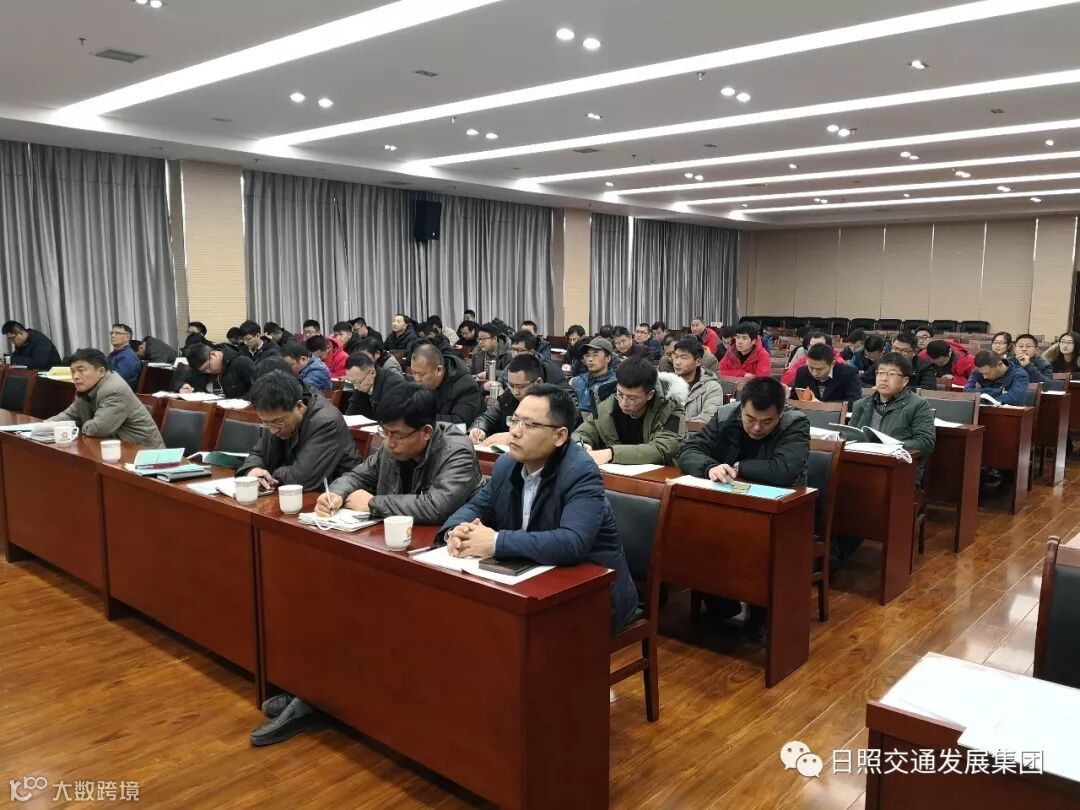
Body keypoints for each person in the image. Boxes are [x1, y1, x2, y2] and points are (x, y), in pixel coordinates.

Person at [440, 385, 639, 635]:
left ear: (560, 436)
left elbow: (572, 542)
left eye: (530, 425)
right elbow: (477, 506)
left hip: (591, 596)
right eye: (515, 421)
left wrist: (496, 542)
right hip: (530, 579)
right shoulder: (506, 464)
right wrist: (455, 532)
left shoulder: (581, 472)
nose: (515, 432)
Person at [320, 381, 482, 522]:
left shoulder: (457, 451)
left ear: (426, 432)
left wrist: (373, 504)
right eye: (385, 432)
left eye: (397, 435)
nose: (389, 442)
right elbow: (356, 477)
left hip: (447, 538)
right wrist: (336, 494)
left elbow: (436, 507)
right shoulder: (390, 446)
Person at [236, 370, 360, 492]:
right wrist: (253, 469)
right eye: (265, 422)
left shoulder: (326, 422)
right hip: (292, 492)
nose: (273, 430)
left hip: (336, 495)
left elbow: (302, 478)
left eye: (278, 422)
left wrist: (271, 473)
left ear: (299, 407)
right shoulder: (273, 417)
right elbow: (258, 453)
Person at [678, 375, 810, 486]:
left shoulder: (794, 423)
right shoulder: (726, 415)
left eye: (767, 422)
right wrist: (710, 467)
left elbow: (786, 471)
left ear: (780, 414)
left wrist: (738, 467)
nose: (757, 427)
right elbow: (689, 451)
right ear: (741, 408)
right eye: (750, 419)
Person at [572, 357, 686, 466]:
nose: (624, 403)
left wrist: (611, 454)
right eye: (620, 394)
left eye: (632, 398)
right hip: (615, 473)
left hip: (659, 474)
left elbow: (662, 448)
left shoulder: (670, 409)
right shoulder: (606, 405)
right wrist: (581, 445)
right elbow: (583, 432)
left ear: (649, 395)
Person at [47, 348, 163, 447]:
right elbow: (70, 414)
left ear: (101, 371)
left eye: (81, 370)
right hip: (118, 448)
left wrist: (76, 426)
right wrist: (47, 424)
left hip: (145, 454)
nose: (75, 376)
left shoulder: (114, 389)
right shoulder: (86, 389)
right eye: (72, 372)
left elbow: (99, 429)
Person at [849, 353, 936, 483]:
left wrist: (890, 446)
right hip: (863, 466)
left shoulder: (918, 405)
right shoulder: (860, 404)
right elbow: (851, 437)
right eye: (880, 373)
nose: (884, 378)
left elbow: (925, 443)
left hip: (899, 470)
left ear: (905, 381)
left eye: (891, 374)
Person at [469, 354, 567, 445]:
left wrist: (512, 437)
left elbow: (552, 435)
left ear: (538, 382)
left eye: (521, 387)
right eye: (511, 385)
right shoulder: (509, 394)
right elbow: (487, 418)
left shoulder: (559, 398)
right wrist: (479, 429)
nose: (515, 392)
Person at [409, 343, 484, 426]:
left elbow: (460, 422)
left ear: (439, 370)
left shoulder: (466, 386)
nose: (417, 379)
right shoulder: (419, 384)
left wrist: (421, 419)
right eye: (414, 373)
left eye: (422, 374)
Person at [788, 342, 863, 404]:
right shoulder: (802, 372)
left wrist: (822, 405)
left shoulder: (848, 373)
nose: (814, 373)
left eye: (820, 369)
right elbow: (794, 397)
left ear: (832, 364)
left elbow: (853, 401)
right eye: (811, 367)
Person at [671, 336, 723, 422]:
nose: (677, 362)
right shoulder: (668, 384)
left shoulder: (711, 387)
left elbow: (708, 419)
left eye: (683, 358)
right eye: (676, 357)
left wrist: (677, 426)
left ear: (698, 361)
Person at [177, 342, 255, 399]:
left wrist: (239, 400)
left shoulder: (241, 362)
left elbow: (258, 387)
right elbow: (180, 380)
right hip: (210, 409)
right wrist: (182, 386)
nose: (207, 371)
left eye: (208, 367)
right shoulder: (200, 367)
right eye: (203, 371)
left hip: (238, 410)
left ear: (214, 355)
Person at [343, 352, 406, 419]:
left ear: (373, 373)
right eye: (352, 382)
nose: (356, 387)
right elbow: (350, 413)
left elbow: (393, 420)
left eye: (358, 382)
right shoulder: (360, 384)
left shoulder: (395, 386)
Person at [570, 337, 618, 417]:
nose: (590, 359)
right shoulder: (577, 381)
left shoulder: (614, 384)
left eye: (595, 355)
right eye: (588, 355)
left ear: (608, 358)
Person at [965, 350, 1030, 405]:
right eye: (982, 373)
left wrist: (986, 400)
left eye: (988, 373)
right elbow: (967, 391)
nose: (984, 377)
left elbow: (1016, 398)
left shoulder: (1020, 374)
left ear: (999, 364)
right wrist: (999, 392)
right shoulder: (979, 370)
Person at [780, 332, 846, 386]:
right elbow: (785, 381)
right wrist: (806, 367)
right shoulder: (803, 360)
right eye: (810, 346)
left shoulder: (840, 363)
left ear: (828, 348)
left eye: (817, 346)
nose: (811, 349)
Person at [106, 323, 141, 390]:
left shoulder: (128, 356)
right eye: (111, 333)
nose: (113, 336)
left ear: (128, 337)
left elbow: (117, 380)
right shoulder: (116, 354)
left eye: (117, 333)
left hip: (118, 392)